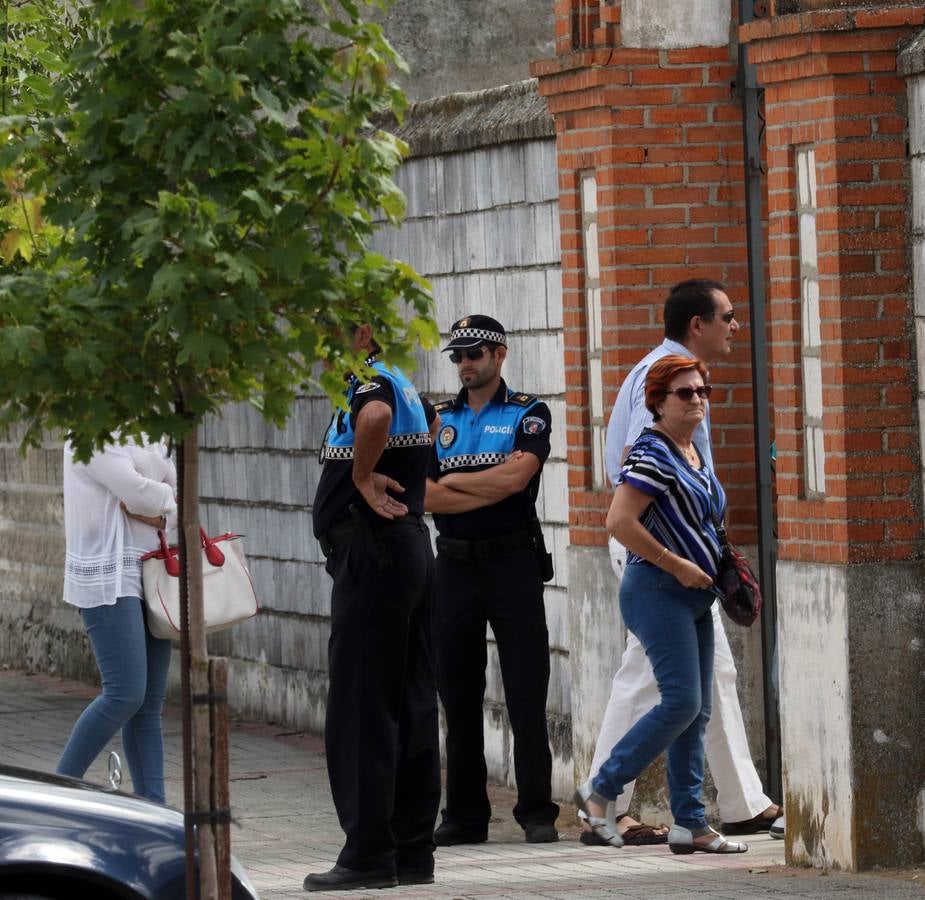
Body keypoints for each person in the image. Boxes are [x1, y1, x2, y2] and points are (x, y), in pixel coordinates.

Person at [581, 279, 781, 845]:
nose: (736, 326)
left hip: (688, 568)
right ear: (698, 324)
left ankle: (716, 811)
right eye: (728, 316)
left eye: (703, 395)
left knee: (702, 687)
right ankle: (602, 802)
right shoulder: (664, 384)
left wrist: (717, 555)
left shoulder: (681, 382)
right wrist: (675, 558)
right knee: (663, 689)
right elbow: (631, 490)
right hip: (657, 565)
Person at [575, 355, 748, 855]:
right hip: (656, 588)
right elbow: (619, 521)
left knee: (697, 711)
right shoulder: (652, 452)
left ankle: (690, 824)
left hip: (696, 592)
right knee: (680, 702)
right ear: (656, 402)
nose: (697, 399)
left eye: (702, 391)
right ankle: (602, 788)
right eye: (684, 393)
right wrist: (675, 564)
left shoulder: (690, 450)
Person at [304, 323, 441, 893]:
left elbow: (376, 419)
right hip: (402, 546)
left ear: (359, 333)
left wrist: (361, 476)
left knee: (362, 706)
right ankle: (411, 850)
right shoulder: (406, 383)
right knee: (410, 700)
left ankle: (366, 855)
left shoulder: (372, 383)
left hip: (374, 553)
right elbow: (429, 427)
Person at [425, 314, 560, 846]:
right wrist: (486, 485)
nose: (464, 364)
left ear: (499, 355)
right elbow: (425, 495)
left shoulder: (529, 411)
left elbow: (518, 476)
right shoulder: (434, 419)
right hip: (453, 566)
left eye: (474, 354)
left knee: (528, 691)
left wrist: (455, 479)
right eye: (457, 356)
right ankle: (463, 816)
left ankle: (536, 812)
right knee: (458, 696)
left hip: (512, 565)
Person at [57, 436, 177, 804]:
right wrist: (160, 501)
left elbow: (172, 491)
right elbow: (136, 492)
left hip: (154, 572)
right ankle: (56, 791)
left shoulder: (148, 427)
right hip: (108, 577)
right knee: (125, 693)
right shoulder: (89, 428)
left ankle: (153, 811)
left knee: (149, 705)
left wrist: (162, 504)